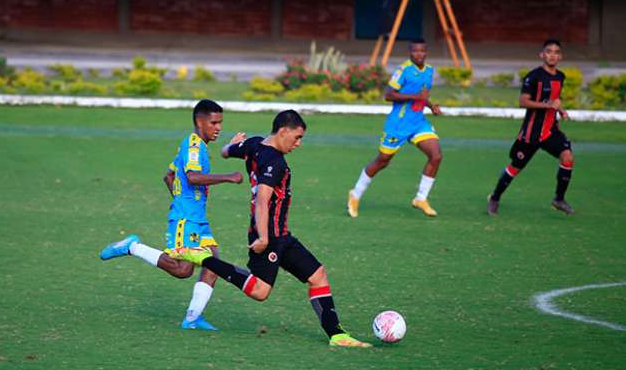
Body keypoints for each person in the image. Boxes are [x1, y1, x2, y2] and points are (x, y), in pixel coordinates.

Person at [170, 110, 372, 348]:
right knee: (259, 291)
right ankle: (203, 258)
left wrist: (233, 145)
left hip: (282, 235)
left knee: (318, 276)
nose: (299, 143)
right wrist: (264, 237)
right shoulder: (275, 162)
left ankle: (337, 335)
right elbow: (264, 199)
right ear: (283, 131)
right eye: (297, 137)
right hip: (268, 235)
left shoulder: (253, 144)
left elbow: (226, 152)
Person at [99, 99, 243, 330]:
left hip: (196, 218)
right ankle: (131, 247)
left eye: (220, 122)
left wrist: (180, 200)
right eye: (214, 122)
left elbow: (169, 175)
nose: (218, 127)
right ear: (199, 121)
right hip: (187, 219)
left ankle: (193, 318)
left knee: (213, 262)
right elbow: (193, 177)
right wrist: (228, 177)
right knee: (182, 270)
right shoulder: (193, 146)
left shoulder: (195, 146)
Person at [347, 38, 443, 218]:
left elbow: (422, 95)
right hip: (398, 124)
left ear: (426, 52)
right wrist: (415, 97)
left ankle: (421, 198)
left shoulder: (429, 71)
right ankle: (355, 194)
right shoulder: (403, 70)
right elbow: (388, 95)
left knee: (436, 155)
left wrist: (430, 106)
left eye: (422, 51)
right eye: (416, 51)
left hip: (418, 123)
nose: (419, 54)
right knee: (383, 161)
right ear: (410, 52)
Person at [487, 39, 575, 216]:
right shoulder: (533, 76)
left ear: (560, 57)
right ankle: (495, 198)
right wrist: (549, 106)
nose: (552, 55)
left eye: (556, 52)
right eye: (548, 51)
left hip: (551, 131)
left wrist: (561, 110)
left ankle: (559, 199)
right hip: (531, 132)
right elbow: (523, 102)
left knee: (567, 157)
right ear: (542, 55)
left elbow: (554, 100)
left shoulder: (560, 76)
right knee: (516, 167)